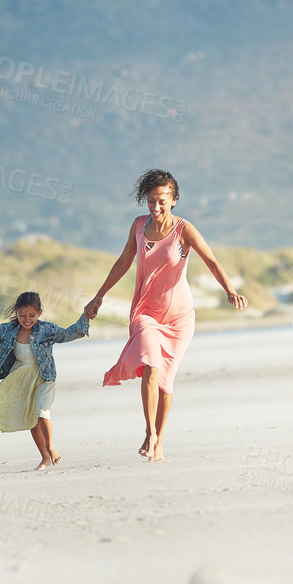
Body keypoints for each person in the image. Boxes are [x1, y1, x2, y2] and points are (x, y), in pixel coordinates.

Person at [84, 169, 247, 461]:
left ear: (173, 200)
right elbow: (123, 262)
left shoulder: (184, 230)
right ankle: (150, 433)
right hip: (146, 312)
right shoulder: (138, 226)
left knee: (165, 380)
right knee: (149, 363)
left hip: (179, 318)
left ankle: (158, 442)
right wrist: (99, 296)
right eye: (150, 201)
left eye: (161, 201)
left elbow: (211, 261)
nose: (155, 207)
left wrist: (230, 290)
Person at [0, 291, 89, 470]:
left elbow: (69, 333)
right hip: (21, 378)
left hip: (45, 376)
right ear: (16, 312)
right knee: (32, 420)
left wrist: (86, 315)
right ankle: (45, 458)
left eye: (32, 315)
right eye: (22, 315)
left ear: (39, 313)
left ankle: (51, 447)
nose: (27, 319)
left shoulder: (47, 329)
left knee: (42, 412)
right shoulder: (6, 330)